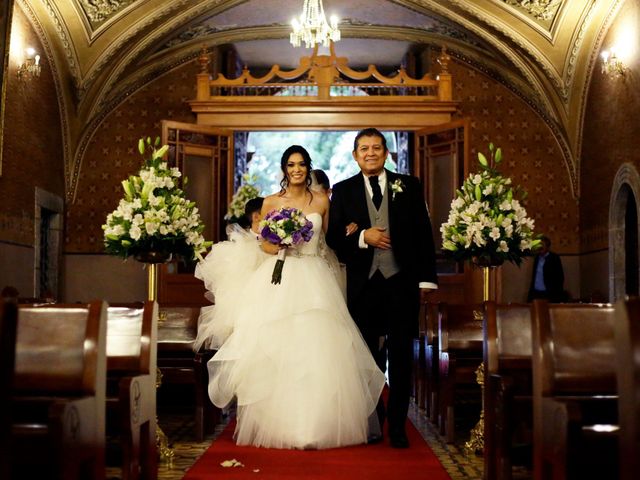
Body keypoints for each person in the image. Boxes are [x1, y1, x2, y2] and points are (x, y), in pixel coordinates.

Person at [195, 144, 385, 450]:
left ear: (308, 168)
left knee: (318, 350)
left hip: (314, 276)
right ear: (285, 169)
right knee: (277, 349)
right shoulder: (271, 201)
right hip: (280, 276)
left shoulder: (323, 200)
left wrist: (354, 232)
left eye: (301, 164)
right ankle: (279, 423)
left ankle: (318, 424)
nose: (296, 170)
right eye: (291, 165)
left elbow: (332, 240)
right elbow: (263, 245)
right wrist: (282, 241)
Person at [327, 127, 438, 449]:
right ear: (355, 155)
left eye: (377, 147)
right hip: (363, 286)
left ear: (386, 153)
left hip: (401, 282)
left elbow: (423, 234)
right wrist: (363, 236)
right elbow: (334, 238)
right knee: (365, 356)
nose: (371, 153)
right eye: (364, 148)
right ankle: (372, 419)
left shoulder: (409, 185)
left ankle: (398, 425)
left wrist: (426, 279)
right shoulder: (343, 190)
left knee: (402, 355)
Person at [527, 235, 565, 303]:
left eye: (542, 244)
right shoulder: (537, 258)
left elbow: (560, 277)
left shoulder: (554, 258)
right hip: (536, 293)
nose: (540, 247)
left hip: (549, 294)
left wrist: (557, 295)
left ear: (547, 246)